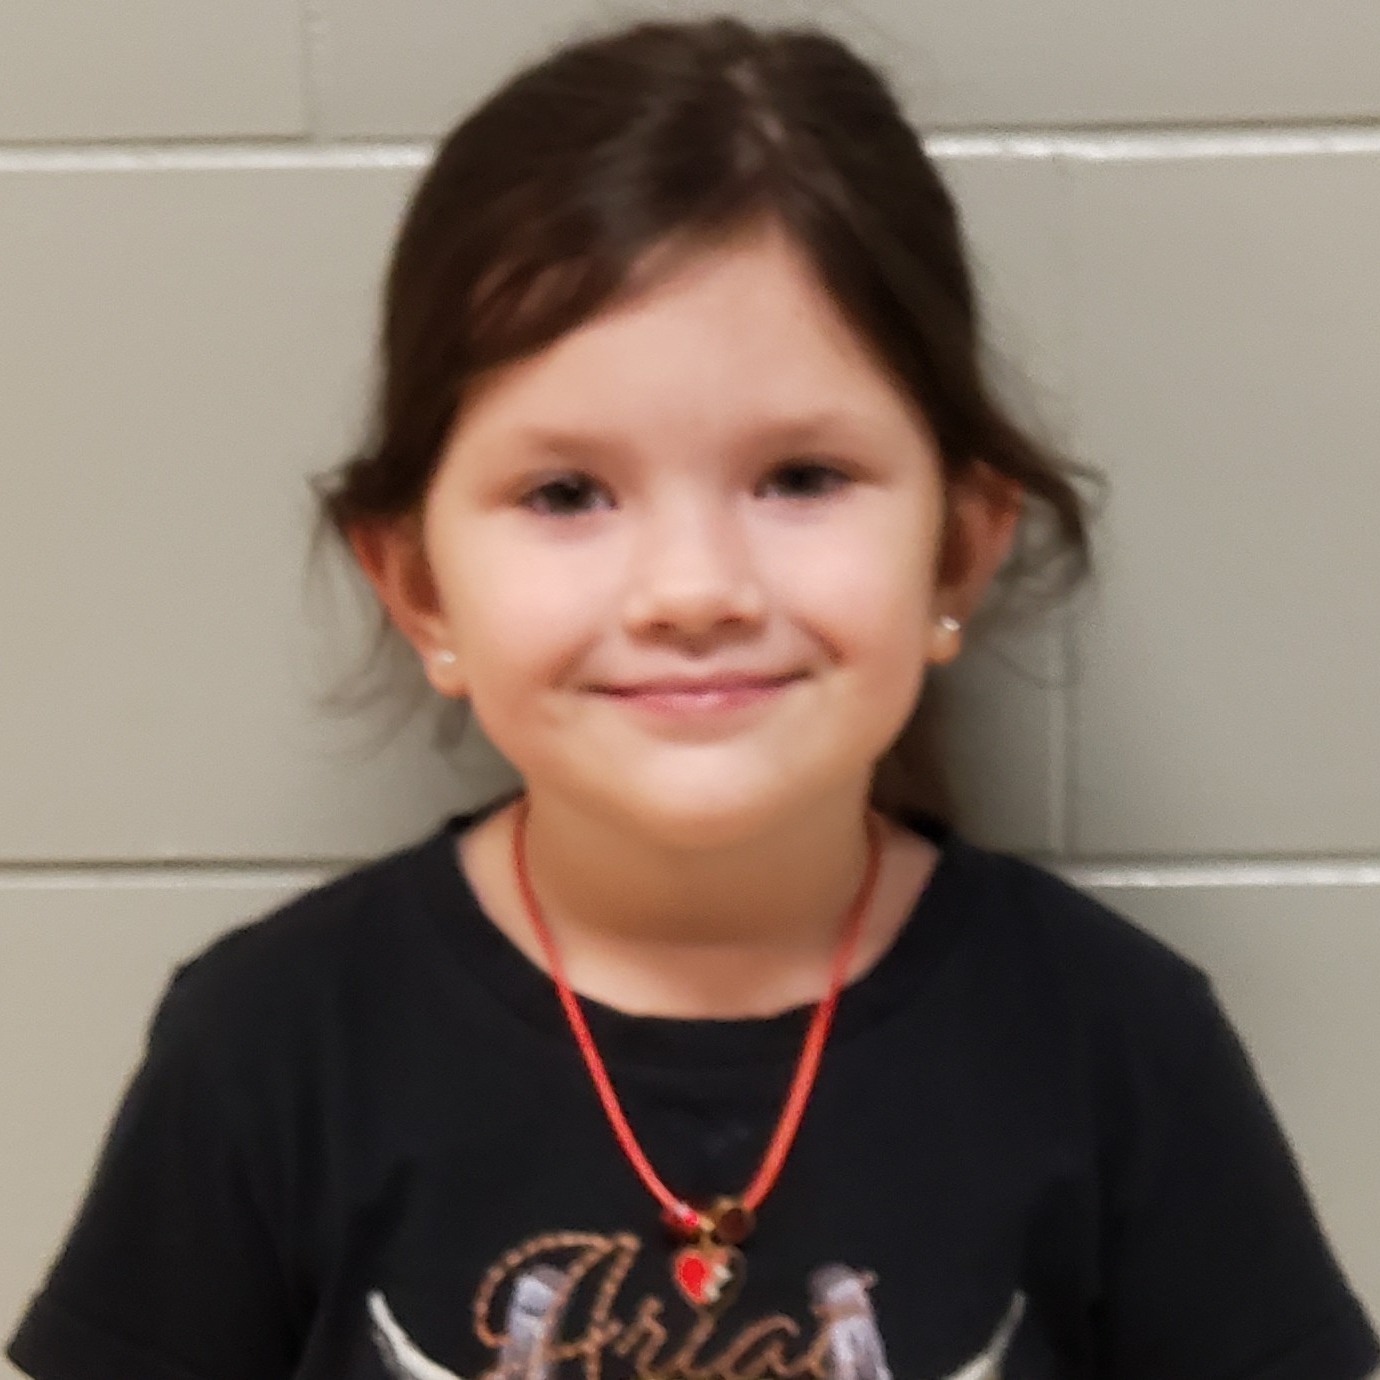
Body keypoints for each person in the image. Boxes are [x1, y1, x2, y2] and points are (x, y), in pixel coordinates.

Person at [7, 15, 1377, 1380]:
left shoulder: (1115, 1045)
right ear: (420, 587)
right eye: (566, 493)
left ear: (959, 544)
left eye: (800, 478)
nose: (693, 588)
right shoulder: (273, 1046)